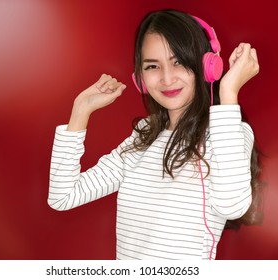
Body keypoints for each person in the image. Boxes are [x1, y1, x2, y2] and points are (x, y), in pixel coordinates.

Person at [48, 9, 262, 260]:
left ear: (208, 67)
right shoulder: (143, 136)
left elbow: (232, 206)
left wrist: (228, 92)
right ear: (140, 77)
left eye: (179, 61)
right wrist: (80, 112)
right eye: (152, 66)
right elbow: (63, 196)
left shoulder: (229, 132)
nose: (166, 78)